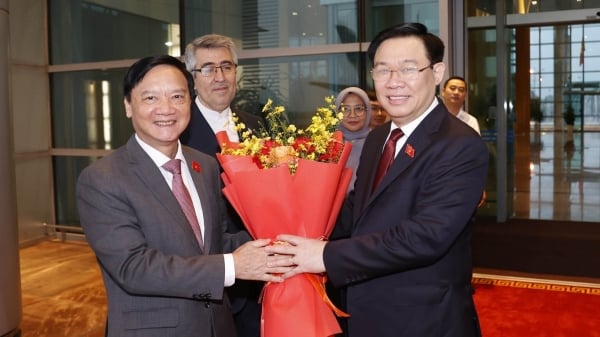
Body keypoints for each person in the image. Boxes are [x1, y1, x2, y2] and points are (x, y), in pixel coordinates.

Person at [267, 23, 488, 337]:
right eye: (383, 71)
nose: (394, 82)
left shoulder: (460, 144)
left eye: (408, 69)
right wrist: (299, 231)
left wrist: (325, 256)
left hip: (424, 319)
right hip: (364, 309)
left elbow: (426, 236)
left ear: (436, 73)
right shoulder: (379, 138)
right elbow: (359, 210)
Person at [76, 55, 283, 337]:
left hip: (218, 326)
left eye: (177, 96)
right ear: (128, 105)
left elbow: (215, 241)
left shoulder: (206, 165)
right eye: (150, 98)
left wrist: (278, 235)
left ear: (190, 102)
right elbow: (133, 267)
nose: (166, 109)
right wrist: (233, 266)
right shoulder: (103, 178)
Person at [180, 34, 264, 337]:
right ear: (193, 78)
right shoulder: (178, 132)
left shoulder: (257, 126)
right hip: (208, 275)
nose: (219, 77)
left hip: (259, 274)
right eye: (208, 68)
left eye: (226, 66)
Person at [441, 76, 486, 207]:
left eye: (461, 90)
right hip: (435, 178)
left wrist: (480, 185)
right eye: (452, 88)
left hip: (463, 178)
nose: (456, 92)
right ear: (443, 92)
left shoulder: (471, 121)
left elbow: (476, 155)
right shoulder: (430, 119)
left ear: (465, 95)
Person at [335, 87, 372, 194]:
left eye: (359, 108)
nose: (352, 115)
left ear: (368, 111)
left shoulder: (379, 143)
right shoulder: (328, 145)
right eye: (345, 109)